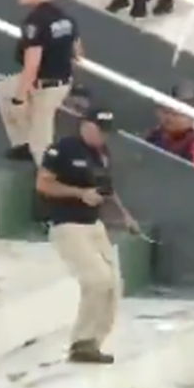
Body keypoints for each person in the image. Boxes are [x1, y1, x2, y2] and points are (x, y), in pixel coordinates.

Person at [36, 104, 123, 367]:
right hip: (68, 223)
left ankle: (94, 341)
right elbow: (43, 184)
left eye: (106, 132)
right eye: (99, 129)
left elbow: (107, 188)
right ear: (85, 125)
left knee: (113, 284)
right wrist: (79, 193)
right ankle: (81, 341)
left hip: (93, 223)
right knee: (97, 279)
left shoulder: (102, 154)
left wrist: (123, 215)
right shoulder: (63, 148)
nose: (102, 136)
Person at [0, 0, 79, 165]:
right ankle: (23, 144)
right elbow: (78, 52)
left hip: (44, 84)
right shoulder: (65, 18)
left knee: (41, 140)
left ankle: (47, 178)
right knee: (3, 88)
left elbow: (32, 65)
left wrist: (20, 98)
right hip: (62, 80)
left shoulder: (35, 21)